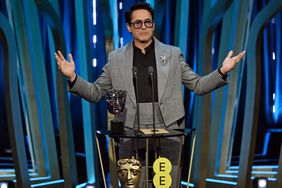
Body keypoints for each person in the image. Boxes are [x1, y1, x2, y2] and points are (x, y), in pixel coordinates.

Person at [54, 2, 245, 187]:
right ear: (129, 27)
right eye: (137, 23)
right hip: (130, 131)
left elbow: (198, 85)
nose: (143, 27)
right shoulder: (116, 58)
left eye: (148, 22)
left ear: (153, 24)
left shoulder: (172, 54)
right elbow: (95, 93)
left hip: (169, 128)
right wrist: (73, 77)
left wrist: (222, 71)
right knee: (134, 184)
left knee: (167, 184)